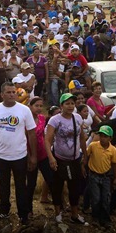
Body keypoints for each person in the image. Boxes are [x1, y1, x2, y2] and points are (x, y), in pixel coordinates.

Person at [0, 82, 37, 225]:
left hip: (20, 155)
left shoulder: (24, 110)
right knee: (3, 185)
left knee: (21, 186)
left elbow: (31, 133)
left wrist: (33, 156)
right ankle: (3, 211)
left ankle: (23, 214)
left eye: (14, 92)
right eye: (8, 92)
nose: (12, 94)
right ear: (2, 94)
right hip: (1, 156)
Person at [45, 93, 89, 225]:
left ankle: (74, 214)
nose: (70, 106)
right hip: (59, 158)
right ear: (61, 105)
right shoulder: (55, 120)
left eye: (72, 103)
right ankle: (58, 213)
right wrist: (51, 158)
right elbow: (47, 140)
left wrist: (85, 156)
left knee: (74, 188)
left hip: (75, 158)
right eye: (67, 103)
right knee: (57, 186)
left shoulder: (77, 118)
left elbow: (81, 137)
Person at [83, 125, 116, 228]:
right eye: (101, 136)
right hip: (93, 175)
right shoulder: (93, 146)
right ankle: (95, 217)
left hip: (106, 176)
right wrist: (82, 166)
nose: (102, 138)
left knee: (105, 198)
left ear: (110, 138)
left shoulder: (113, 150)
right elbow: (86, 156)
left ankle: (105, 219)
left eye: (105, 136)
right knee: (96, 198)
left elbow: (114, 165)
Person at [25, 97, 54, 216]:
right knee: (31, 183)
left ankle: (59, 206)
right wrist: (30, 157)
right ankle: (28, 209)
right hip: (30, 154)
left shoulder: (42, 118)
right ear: (30, 106)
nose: (39, 108)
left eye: (41, 106)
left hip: (43, 154)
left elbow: (43, 136)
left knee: (51, 179)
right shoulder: (25, 120)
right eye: (36, 106)